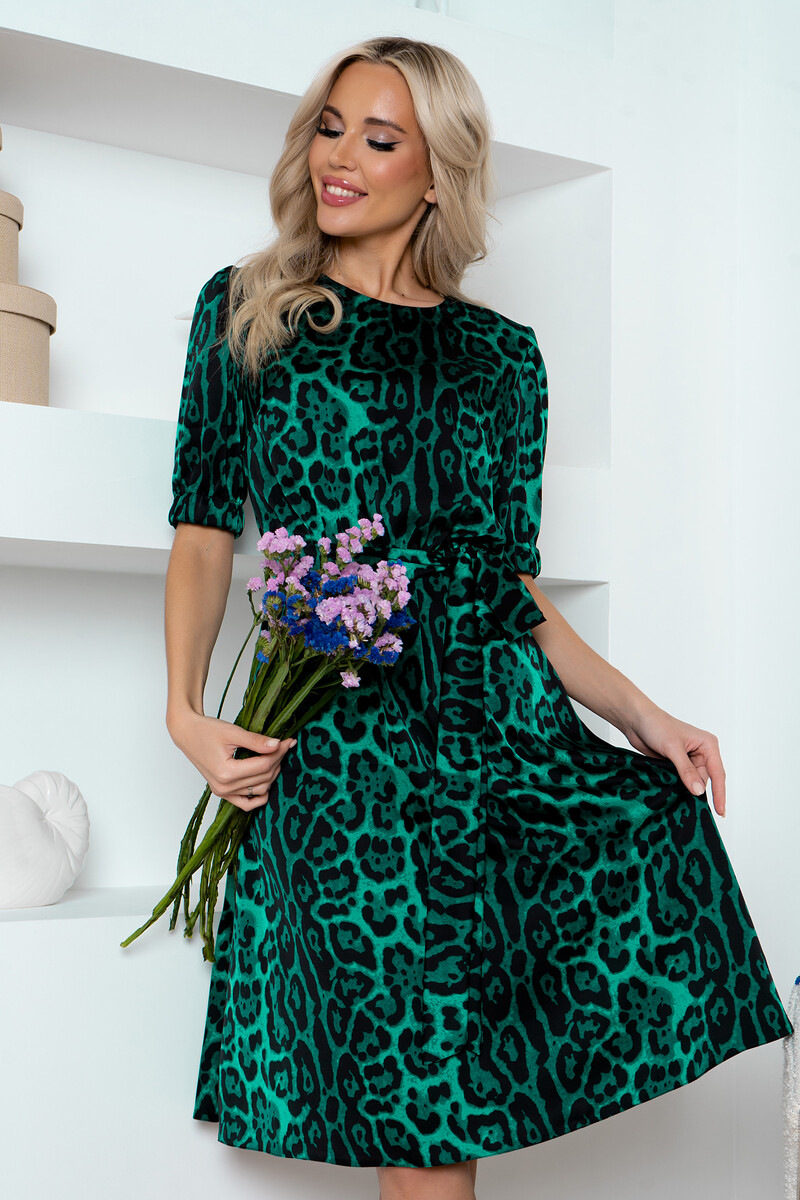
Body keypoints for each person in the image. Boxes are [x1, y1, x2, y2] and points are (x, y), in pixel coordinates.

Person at [164, 34, 793, 1200]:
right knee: (420, 1118)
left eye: (377, 138)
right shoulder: (248, 312)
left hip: (493, 745)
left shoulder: (504, 359)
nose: (337, 158)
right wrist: (183, 713)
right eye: (328, 127)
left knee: (436, 1107)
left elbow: (508, 588)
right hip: (339, 754)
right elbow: (203, 530)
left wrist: (644, 718)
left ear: (435, 172)